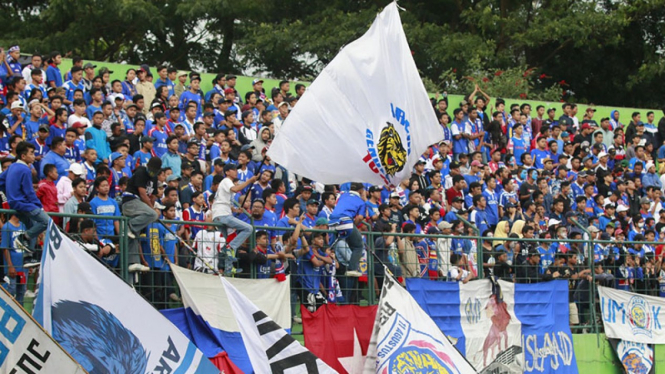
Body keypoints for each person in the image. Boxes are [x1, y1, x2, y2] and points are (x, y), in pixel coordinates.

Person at [0, 142, 50, 251]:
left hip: (14, 204)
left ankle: (28, 255)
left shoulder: (12, 166)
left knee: (32, 227)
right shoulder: (26, 169)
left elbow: (1, 182)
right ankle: (23, 238)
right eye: (31, 153)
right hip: (24, 204)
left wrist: (8, 192)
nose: (33, 156)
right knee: (46, 221)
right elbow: (29, 192)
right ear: (23, 156)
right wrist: (39, 206)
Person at [211, 163, 258, 275]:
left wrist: (236, 210)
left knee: (229, 241)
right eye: (233, 169)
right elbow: (236, 189)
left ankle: (228, 268)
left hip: (221, 214)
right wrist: (249, 181)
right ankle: (230, 248)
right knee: (248, 228)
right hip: (223, 215)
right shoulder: (226, 180)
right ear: (227, 172)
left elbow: (224, 201)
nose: (235, 171)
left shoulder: (226, 183)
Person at [122, 157, 162, 272]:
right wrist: (152, 210)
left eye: (154, 171)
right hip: (130, 201)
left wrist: (153, 207)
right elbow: (143, 194)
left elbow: (153, 196)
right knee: (152, 215)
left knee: (134, 235)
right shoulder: (141, 172)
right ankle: (130, 225)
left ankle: (132, 262)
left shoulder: (154, 178)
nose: (152, 172)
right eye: (151, 169)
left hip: (140, 207)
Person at [328, 182, 367, 277]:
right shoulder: (361, 201)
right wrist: (353, 224)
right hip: (346, 222)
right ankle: (352, 269)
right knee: (358, 246)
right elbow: (360, 218)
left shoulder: (342, 195)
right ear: (361, 190)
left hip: (332, 221)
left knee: (332, 245)